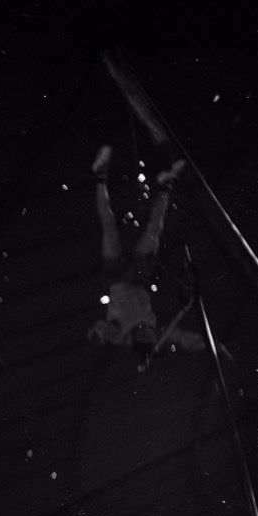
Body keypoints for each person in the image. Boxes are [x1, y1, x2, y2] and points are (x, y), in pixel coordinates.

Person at [88, 145, 204, 358]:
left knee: (109, 226)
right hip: (139, 277)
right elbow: (180, 337)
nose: (146, 331)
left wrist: (100, 331)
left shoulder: (120, 335)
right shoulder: (155, 332)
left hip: (116, 278)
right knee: (155, 229)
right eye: (149, 335)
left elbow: (100, 329)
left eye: (142, 335)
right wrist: (210, 345)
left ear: (135, 339)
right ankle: (165, 185)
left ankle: (100, 176)